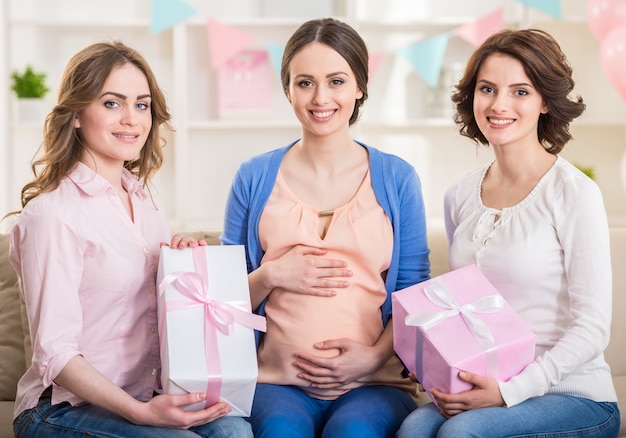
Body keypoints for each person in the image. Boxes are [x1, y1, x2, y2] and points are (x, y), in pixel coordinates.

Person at [5, 41, 252, 438]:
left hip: (142, 392)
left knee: (234, 431)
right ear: (76, 115)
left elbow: (148, 304)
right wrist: (140, 413)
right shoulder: (53, 215)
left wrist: (179, 263)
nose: (132, 119)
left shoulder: (146, 202)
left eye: (141, 105)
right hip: (60, 409)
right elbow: (55, 353)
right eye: (111, 103)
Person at [396, 28, 621, 437]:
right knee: (412, 428)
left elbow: (592, 327)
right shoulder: (459, 194)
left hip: (573, 395)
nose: (499, 105)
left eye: (520, 91)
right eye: (488, 89)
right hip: (484, 388)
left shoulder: (574, 194)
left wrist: (509, 391)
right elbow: (457, 310)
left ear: (544, 103)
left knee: (459, 434)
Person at [221, 17, 430, 438]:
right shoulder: (253, 177)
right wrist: (271, 274)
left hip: (373, 383)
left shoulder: (398, 178)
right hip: (274, 382)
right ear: (287, 90)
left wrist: (371, 359)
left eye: (336, 81)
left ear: (359, 87)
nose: (320, 98)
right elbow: (220, 299)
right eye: (305, 83)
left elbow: (414, 292)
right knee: (280, 432)